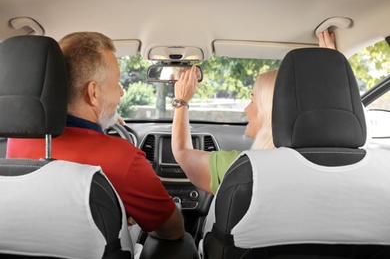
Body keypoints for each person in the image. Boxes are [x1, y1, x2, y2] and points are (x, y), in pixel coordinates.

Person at [6, 32, 185, 241]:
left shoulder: (16, 142)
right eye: (116, 83)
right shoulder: (123, 158)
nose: (121, 93)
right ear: (93, 93)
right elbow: (172, 231)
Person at [171, 30, 336, 195]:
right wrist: (332, 75)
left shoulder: (240, 167)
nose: (246, 109)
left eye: (253, 100)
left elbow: (182, 153)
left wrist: (181, 101)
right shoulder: (333, 168)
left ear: (269, 110)